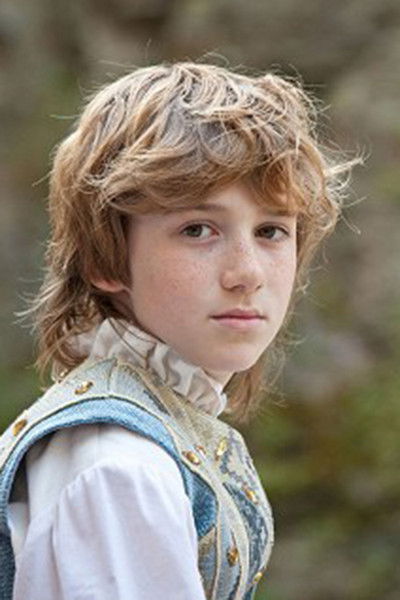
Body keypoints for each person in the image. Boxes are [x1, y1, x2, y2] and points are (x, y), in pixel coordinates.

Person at [0, 61, 353, 600]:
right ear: (105, 259)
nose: (248, 273)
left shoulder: (155, 429)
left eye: (271, 231)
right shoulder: (118, 466)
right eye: (197, 229)